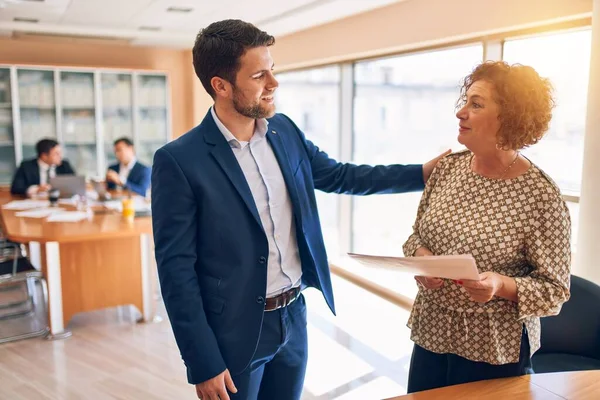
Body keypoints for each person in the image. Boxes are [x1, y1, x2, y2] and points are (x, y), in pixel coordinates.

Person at [151, 19, 448, 400]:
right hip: (233, 330)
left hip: (294, 315)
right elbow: (176, 271)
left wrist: (421, 174)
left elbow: (341, 176)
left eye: (272, 70)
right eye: (260, 75)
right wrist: (203, 361)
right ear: (220, 86)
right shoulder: (179, 160)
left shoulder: (284, 131)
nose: (274, 83)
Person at [402, 61, 572, 393]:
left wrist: (500, 284)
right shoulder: (447, 169)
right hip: (431, 333)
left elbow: (555, 292)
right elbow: (415, 236)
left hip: (494, 350)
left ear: (510, 119)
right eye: (465, 101)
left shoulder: (540, 196)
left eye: (476, 104)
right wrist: (422, 259)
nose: (460, 113)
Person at [10, 138, 75, 196]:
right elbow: (15, 188)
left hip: (59, 202)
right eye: (56, 154)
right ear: (44, 156)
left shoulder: (64, 165)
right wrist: (37, 189)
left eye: (60, 153)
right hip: (35, 204)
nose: (60, 156)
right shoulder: (26, 166)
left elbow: (75, 184)